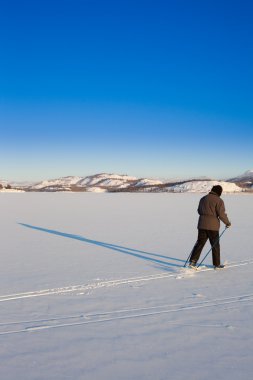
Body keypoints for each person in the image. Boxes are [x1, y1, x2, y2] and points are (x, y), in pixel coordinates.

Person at [189, 185, 231, 269]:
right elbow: (221, 214)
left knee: (199, 243)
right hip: (213, 227)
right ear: (219, 192)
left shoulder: (203, 198)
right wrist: (227, 223)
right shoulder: (219, 200)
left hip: (201, 225)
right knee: (215, 245)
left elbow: (199, 210)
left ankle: (193, 262)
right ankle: (216, 264)